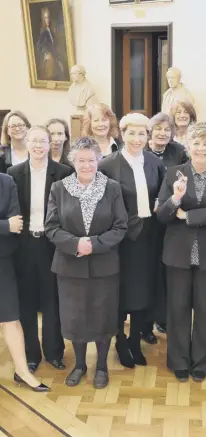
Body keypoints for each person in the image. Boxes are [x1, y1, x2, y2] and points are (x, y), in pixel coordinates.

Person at [157, 122, 206, 383]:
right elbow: (162, 215)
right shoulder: (173, 174)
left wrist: (188, 215)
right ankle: (178, 361)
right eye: (197, 143)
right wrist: (175, 200)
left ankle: (201, 362)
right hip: (177, 254)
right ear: (188, 145)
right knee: (178, 308)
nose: (202, 148)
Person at [45, 137, 128, 389]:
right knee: (76, 319)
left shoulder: (112, 187)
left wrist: (94, 243)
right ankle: (80, 365)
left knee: (103, 318)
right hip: (70, 267)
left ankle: (101, 366)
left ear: (98, 160)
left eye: (91, 160)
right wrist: (75, 244)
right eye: (81, 160)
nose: (86, 165)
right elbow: (51, 227)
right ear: (73, 161)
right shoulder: (59, 188)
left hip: (104, 267)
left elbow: (121, 225)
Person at [99, 113, 164, 369]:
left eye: (142, 133)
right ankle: (120, 339)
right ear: (121, 134)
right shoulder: (107, 165)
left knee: (143, 293)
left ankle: (136, 340)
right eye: (131, 133)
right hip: (121, 242)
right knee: (120, 293)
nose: (137, 139)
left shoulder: (154, 162)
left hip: (149, 239)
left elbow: (160, 195)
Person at [7, 126, 72, 373]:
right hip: (23, 245)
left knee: (51, 299)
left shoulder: (64, 172)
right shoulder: (14, 173)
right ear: (27, 142)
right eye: (33, 141)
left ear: (50, 144)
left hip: (52, 244)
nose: (38, 145)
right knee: (27, 301)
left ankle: (55, 352)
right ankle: (31, 354)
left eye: (43, 141)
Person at [140, 112, 188, 344]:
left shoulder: (178, 152)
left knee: (168, 272)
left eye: (167, 130)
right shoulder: (141, 151)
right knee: (149, 272)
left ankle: (164, 318)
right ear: (149, 131)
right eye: (158, 129)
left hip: (172, 220)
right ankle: (145, 323)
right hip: (147, 222)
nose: (162, 133)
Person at [0, 173, 49, 392]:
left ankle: (22, 371)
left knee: (11, 318)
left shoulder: (6, 181)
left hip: (2, 260)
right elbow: (7, 225)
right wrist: (3, 225)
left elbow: (16, 223)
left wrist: (8, 225)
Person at [36, 7, 65, 81]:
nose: (47, 20)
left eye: (48, 17)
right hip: (49, 60)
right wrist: (46, 52)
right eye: (45, 18)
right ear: (43, 19)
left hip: (55, 59)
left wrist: (58, 60)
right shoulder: (43, 32)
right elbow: (39, 45)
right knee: (50, 78)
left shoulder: (52, 31)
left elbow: (54, 47)